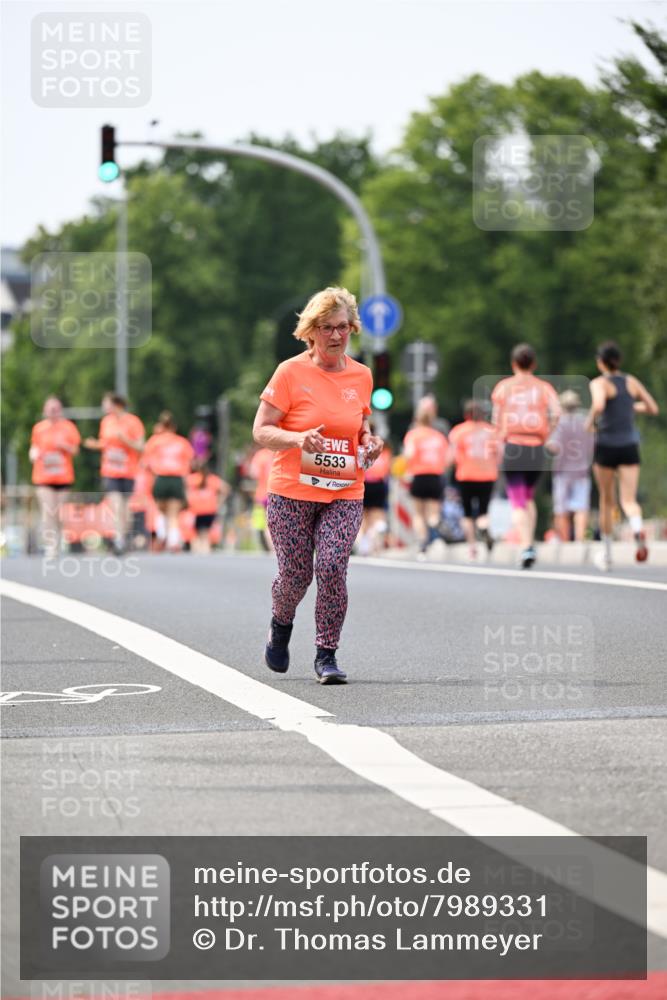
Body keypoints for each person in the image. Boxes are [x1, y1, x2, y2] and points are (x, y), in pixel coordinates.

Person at [252, 286, 383, 685]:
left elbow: (360, 426)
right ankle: (281, 622)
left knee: (330, 566)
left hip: (344, 489)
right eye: (327, 327)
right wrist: (297, 439)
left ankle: (327, 654)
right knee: (295, 576)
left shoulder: (362, 375)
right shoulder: (290, 373)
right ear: (311, 331)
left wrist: (370, 443)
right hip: (292, 490)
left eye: (343, 327)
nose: (336, 335)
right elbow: (261, 430)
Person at [586, 341, 659, 570]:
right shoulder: (631, 381)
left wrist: (589, 423)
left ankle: (607, 554)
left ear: (600, 362)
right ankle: (637, 529)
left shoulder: (600, 383)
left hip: (606, 445)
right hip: (629, 445)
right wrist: (628, 407)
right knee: (629, 500)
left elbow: (598, 405)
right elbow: (652, 408)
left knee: (607, 500)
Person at [492, 344, 561, 569]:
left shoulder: (503, 387)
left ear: (513, 364)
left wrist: (499, 440)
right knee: (529, 497)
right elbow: (556, 412)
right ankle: (529, 542)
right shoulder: (543, 387)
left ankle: (525, 546)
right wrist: (546, 432)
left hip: (513, 444)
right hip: (536, 446)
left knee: (518, 502)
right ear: (533, 364)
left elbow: (496, 419)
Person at [83, 393, 145, 554]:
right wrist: (94, 445)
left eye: (106, 403)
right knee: (116, 505)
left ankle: (125, 538)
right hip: (110, 471)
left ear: (116, 404)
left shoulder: (133, 421)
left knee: (125, 507)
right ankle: (119, 540)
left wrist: (125, 440)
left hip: (128, 471)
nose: (104, 407)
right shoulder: (106, 422)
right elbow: (106, 443)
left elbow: (140, 446)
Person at [448, 400, 501, 560]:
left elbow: (453, 456)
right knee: (484, 510)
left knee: (467, 513)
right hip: (487, 475)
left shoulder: (458, 431)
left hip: (466, 475)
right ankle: (483, 526)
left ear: (466, 414)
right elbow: (499, 454)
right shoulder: (491, 431)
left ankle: (472, 547)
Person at [29, 397, 81, 558]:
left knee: (58, 512)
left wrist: (64, 446)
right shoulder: (39, 428)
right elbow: (34, 448)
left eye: (56, 409)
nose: (53, 412)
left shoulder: (68, 427)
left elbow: (76, 450)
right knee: (48, 510)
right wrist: (33, 454)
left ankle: (58, 541)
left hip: (63, 477)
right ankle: (51, 546)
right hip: (43, 478)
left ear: (60, 410)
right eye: (50, 409)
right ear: (45, 411)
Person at [402, 395, 449, 554]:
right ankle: (435, 523)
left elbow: (409, 454)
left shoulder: (413, 434)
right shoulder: (439, 436)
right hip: (435, 475)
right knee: (433, 511)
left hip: (418, 475)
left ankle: (423, 542)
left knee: (418, 513)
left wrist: (405, 469)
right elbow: (447, 457)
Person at [142, 412, 195, 552]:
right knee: (173, 513)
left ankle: (161, 536)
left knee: (161, 511)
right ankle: (173, 540)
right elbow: (189, 464)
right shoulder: (182, 442)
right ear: (174, 426)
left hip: (161, 478)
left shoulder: (154, 441)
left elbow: (145, 464)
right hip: (176, 479)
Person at [546, 390, 594, 543]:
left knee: (561, 509)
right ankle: (580, 540)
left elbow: (553, 447)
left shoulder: (560, 423)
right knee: (581, 507)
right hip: (582, 470)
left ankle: (565, 541)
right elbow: (593, 446)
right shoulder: (585, 422)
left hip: (562, 471)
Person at [357, 434, 392, 556]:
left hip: (365, 484)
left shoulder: (362, 448)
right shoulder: (384, 453)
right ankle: (375, 539)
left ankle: (362, 543)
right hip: (379, 485)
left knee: (364, 517)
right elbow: (387, 470)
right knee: (377, 517)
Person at [186, 464, 230, 554]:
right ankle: (205, 551)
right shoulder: (212, 479)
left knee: (196, 534)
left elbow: (184, 487)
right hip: (209, 511)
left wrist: (189, 500)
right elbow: (226, 488)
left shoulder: (194, 478)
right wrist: (219, 502)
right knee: (205, 534)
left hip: (197, 511)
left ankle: (198, 552)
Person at [248, 446, 275, 552]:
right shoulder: (279, 453)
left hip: (263, 494)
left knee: (266, 524)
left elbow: (253, 473)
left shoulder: (261, 455)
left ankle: (272, 549)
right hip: (278, 492)